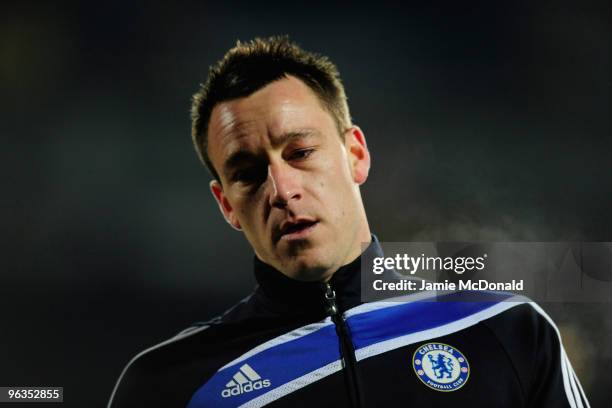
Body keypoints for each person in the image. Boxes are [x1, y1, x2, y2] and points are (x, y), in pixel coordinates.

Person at [108, 36, 590, 408]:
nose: (281, 189)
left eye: (300, 153)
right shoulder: (171, 384)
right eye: (249, 173)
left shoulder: (502, 329)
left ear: (355, 154)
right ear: (227, 205)